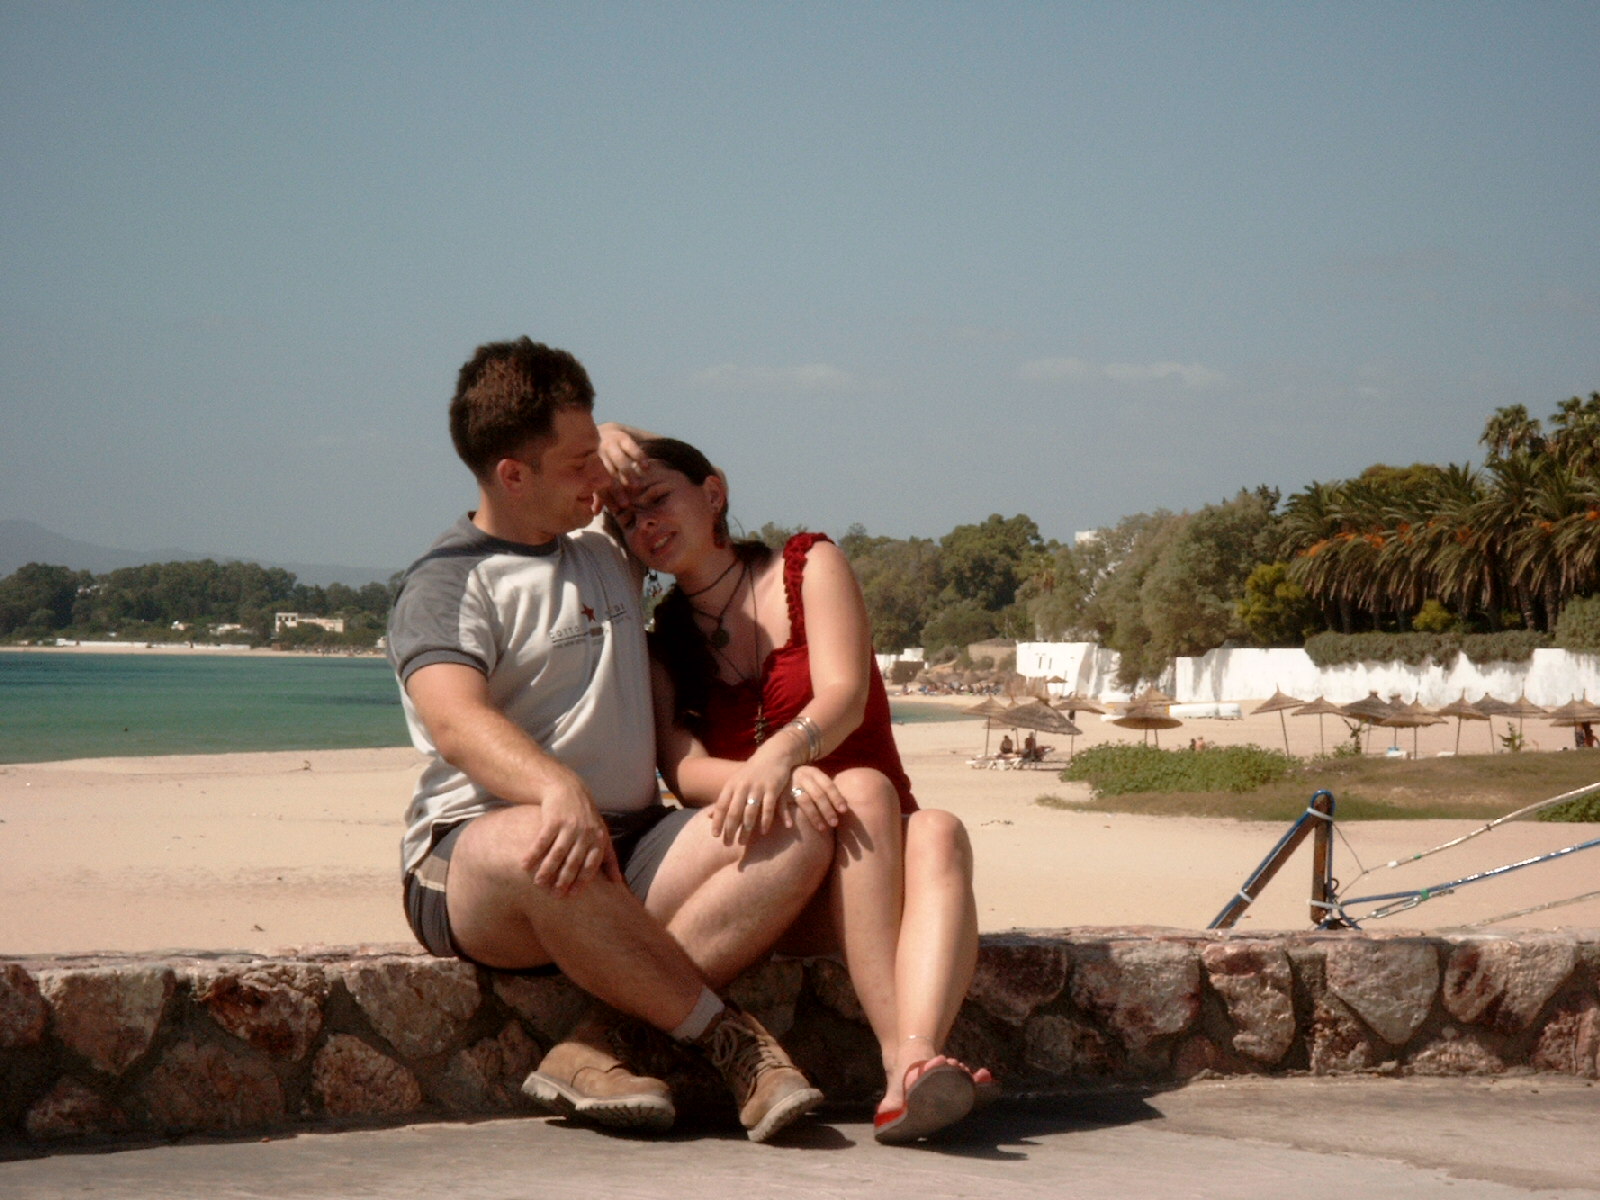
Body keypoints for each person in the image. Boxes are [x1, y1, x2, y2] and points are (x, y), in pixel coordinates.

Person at [387, 338, 833, 1143]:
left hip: (631, 846)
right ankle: (733, 1046)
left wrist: (621, 436)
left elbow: (682, 474)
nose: (601, 481)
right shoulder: (448, 582)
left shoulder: (602, 541)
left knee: (800, 818)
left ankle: (596, 1047)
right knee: (537, 835)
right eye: (579, 464)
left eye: (600, 456)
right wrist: (555, 787)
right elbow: (454, 719)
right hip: (481, 860)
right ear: (512, 475)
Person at [612, 437, 994, 1145]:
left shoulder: (809, 565)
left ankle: (911, 1058)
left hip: (881, 856)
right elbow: (684, 771)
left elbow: (845, 695)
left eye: (659, 499)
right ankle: (905, 1065)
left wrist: (784, 753)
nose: (647, 524)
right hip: (790, 869)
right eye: (628, 518)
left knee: (934, 826)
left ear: (714, 493)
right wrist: (775, 782)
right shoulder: (664, 643)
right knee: (866, 790)